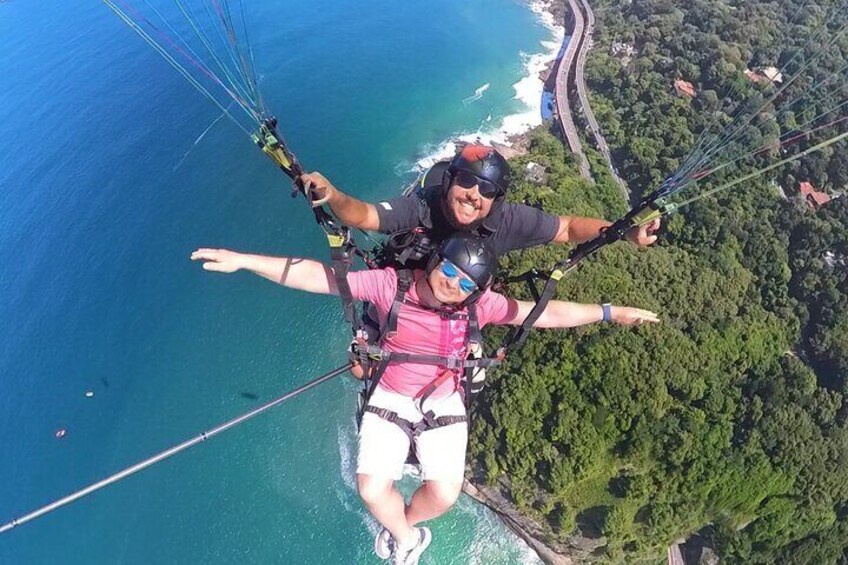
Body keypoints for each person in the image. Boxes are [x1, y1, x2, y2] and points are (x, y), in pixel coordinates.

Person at [191, 235, 658, 564]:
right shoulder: (389, 285)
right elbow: (321, 277)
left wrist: (609, 312)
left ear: (479, 290)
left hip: (442, 399)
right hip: (391, 394)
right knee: (371, 489)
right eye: (448, 271)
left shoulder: (480, 307)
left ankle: (405, 530)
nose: (453, 284)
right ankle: (404, 538)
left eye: (465, 282)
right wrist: (246, 260)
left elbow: (543, 313)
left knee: (445, 493)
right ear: (433, 262)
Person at [299, 144, 661, 260]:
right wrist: (333, 196)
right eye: (468, 182)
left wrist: (623, 232)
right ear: (450, 182)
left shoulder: (506, 221)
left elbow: (566, 228)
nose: (474, 194)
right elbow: (364, 214)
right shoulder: (423, 207)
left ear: (496, 200)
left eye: (487, 190)